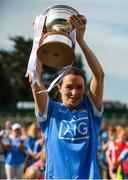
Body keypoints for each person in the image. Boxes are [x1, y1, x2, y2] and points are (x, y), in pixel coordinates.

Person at [29, 14, 104, 179]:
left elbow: (99, 76)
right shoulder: (50, 111)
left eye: (79, 88)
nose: (75, 92)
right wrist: (39, 41)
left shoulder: (90, 109)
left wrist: (81, 40)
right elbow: (34, 79)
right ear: (59, 88)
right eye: (69, 87)